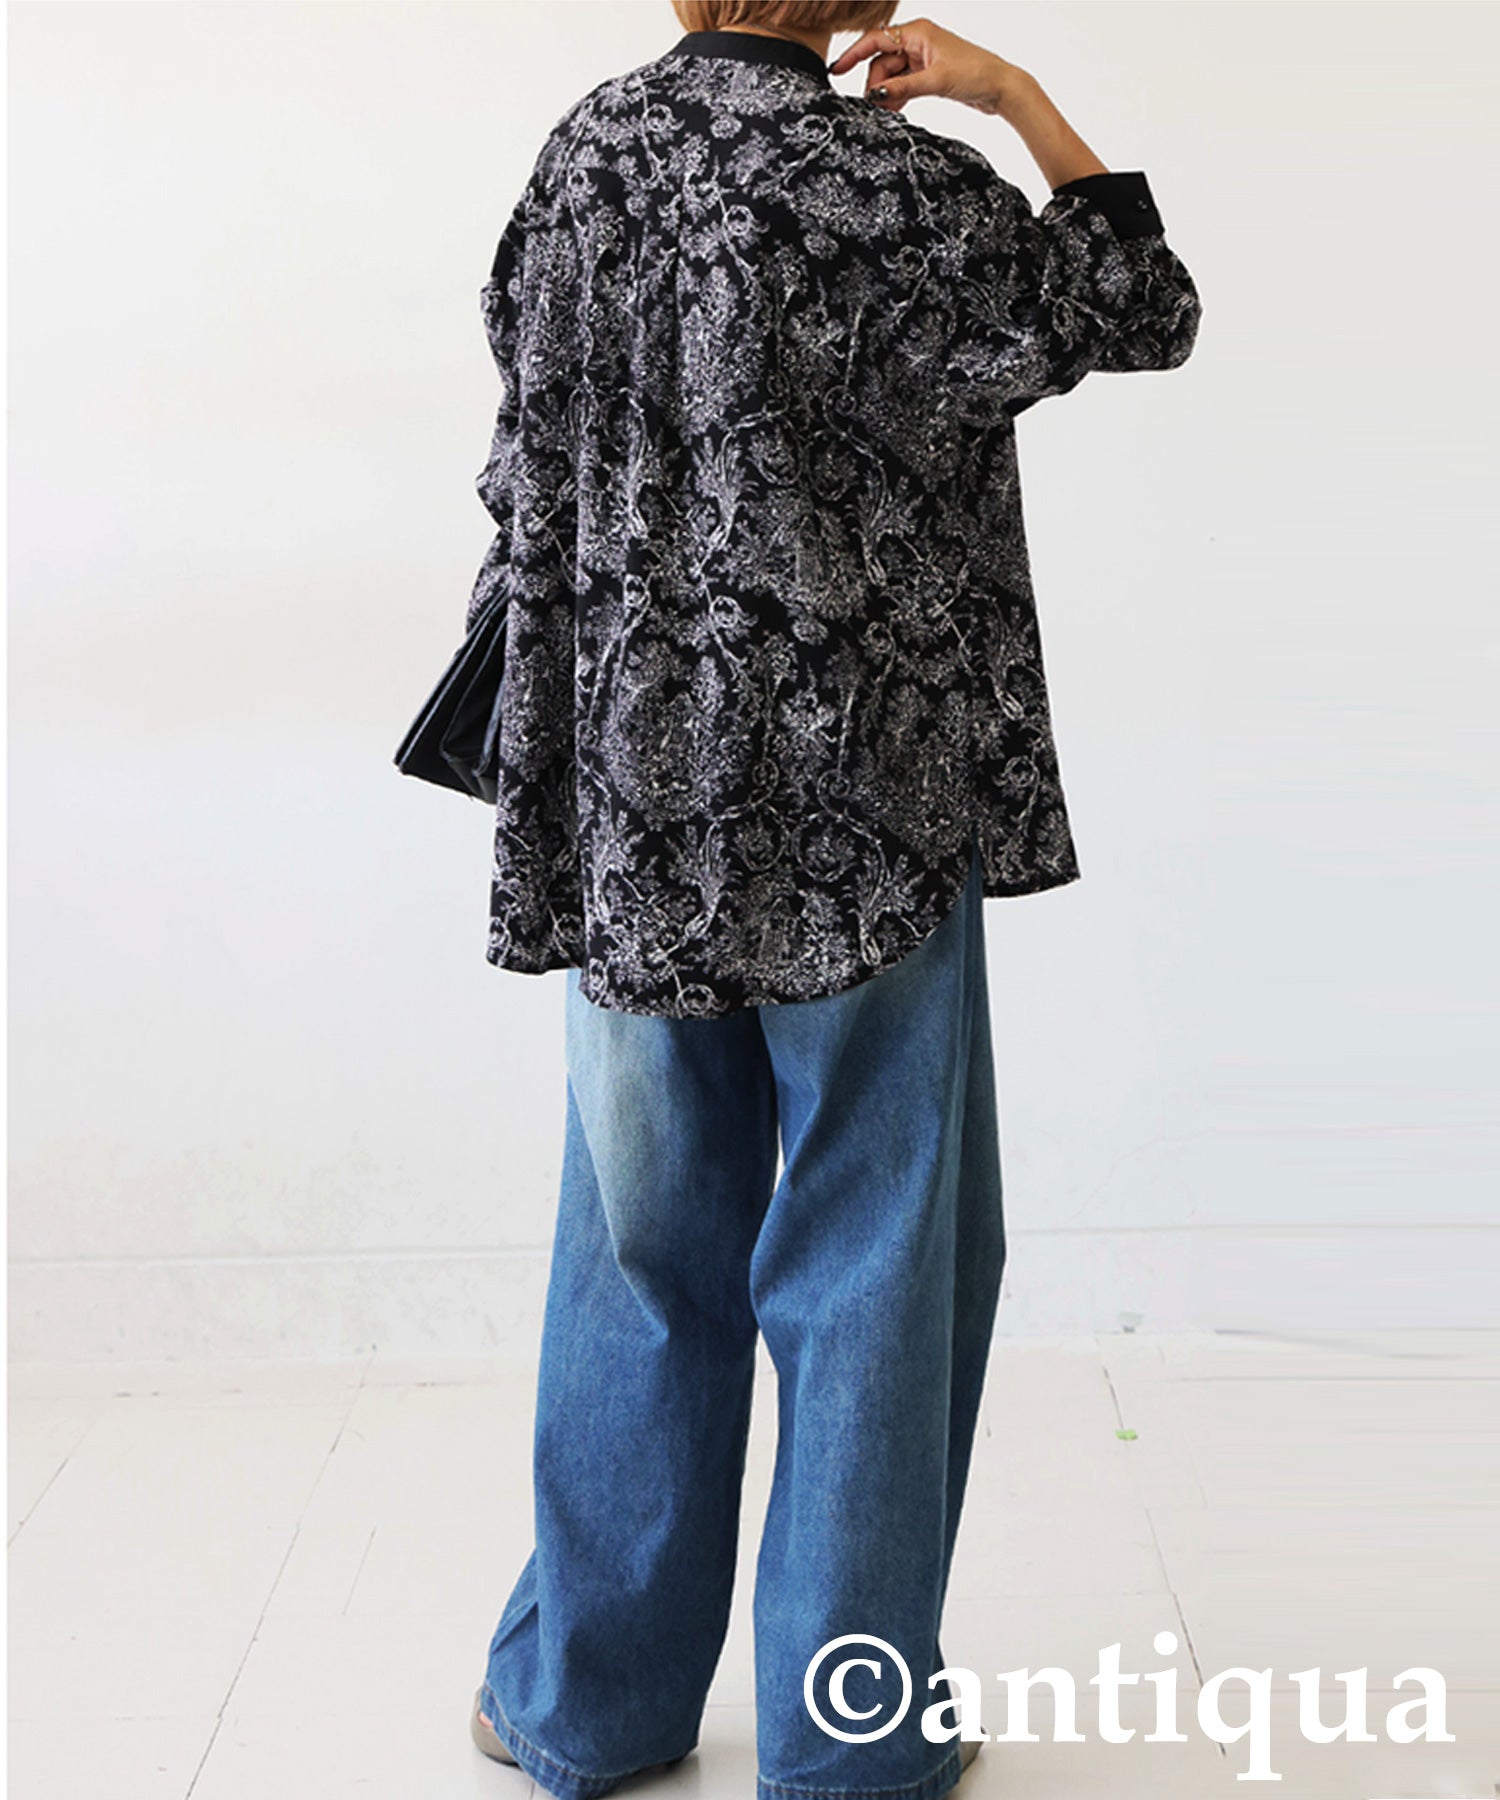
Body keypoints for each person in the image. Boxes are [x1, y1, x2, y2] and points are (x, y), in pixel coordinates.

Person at [459, 7, 1202, 1799]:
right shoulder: (903, 188)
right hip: (871, 801)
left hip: (637, 796)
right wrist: (1015, 97)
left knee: (641, 1251)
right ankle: (850, 1736)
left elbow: (526, 408)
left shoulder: (589, 157)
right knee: (877, 1260)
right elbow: (1142, 307)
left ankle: (589, 1708)